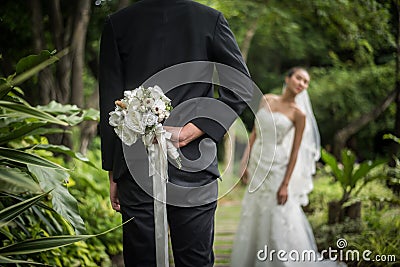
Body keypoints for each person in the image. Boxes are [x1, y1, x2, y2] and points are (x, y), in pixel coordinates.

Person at [98, 1, 252, 266]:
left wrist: (113, 170)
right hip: (194, 163)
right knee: (195, 261)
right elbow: (241, 86)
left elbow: (110, 103)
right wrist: (200, 127)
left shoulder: (118, 23)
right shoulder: (209, 19)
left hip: (135, 165)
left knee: (142, 260)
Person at [230, 68, 345, 266]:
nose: (302, 83)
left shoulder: (299, 114)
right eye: (299, 78)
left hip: (278, 167)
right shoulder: (267, 99)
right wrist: (244, 163)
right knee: (254, 209)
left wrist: (285, 184)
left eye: (306, 82)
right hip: (258, 162)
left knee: (276, 212)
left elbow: (295, 151)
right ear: (288, 78)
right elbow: (254, 134)